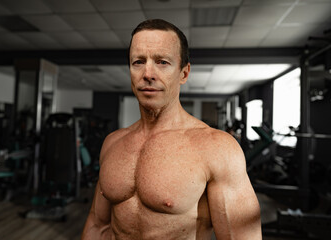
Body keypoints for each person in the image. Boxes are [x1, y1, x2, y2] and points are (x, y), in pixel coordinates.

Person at [82, 19, 261, 240]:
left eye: (162, 62)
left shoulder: (217, 148)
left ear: (184, 73)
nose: (148, 73)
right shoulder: (112, 143)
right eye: (138, 62)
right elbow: (97, 225)